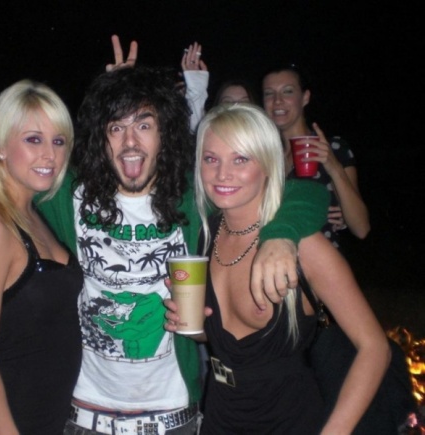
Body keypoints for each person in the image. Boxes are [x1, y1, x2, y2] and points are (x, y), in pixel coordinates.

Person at [0, 55, 329, 435]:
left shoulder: (193, 196)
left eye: (144, 125)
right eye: (116, 127)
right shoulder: (70, 194)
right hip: (83, 415)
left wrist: (281, 233)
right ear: (99, 137)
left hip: (173, 416)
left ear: (165, 133)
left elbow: (304, 192)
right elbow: (8, 180)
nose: (130, 142)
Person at [165, 102, 390, 434]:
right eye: (211, 159)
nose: (222, 174)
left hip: (288, 420)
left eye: (240, 159)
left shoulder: (304, 247)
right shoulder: (205, 236)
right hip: (219, 415)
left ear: (268, 163)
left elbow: (375, 348)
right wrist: (193, 325)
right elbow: (225, 342)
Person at [0, 79, 84, 433]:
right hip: (17, 418)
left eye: (58, 141)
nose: (50, 155)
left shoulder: (32, 213)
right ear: (0, 147)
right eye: (33, 139)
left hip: (54, 413)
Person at [262, 63, 371, 247]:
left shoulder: (332, 148)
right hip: (273, 256)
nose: (277, 100)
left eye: (287, 91)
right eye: (269, 93)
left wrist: (334, 167)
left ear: (305, 98)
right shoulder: (264, 155)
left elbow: (361, 228)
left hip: (319, 261)